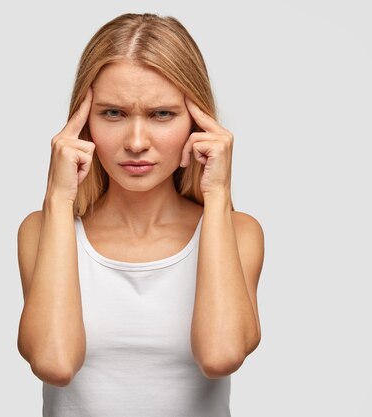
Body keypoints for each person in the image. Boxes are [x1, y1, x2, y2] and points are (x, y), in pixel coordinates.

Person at [17, 12, 264, 416]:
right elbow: (54, 362)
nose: (135, 142)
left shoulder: (239, 233)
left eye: (161, 114)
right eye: (113, 113)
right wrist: (60, 198)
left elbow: (221, 355)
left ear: (197, 122)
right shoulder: (42, 230)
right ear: (83, 123)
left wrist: (217, 192)